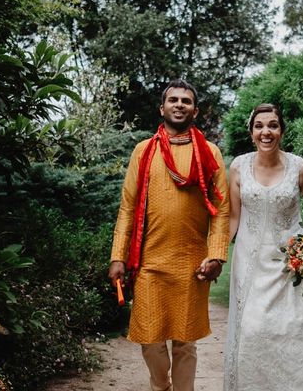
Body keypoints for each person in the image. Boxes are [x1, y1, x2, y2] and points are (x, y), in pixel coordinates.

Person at [108, 79, 230, 391]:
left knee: (185, 343)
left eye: (186, 101)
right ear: (162, 108)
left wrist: (216, 256)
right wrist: (118, 256)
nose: (179, 105)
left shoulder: (210, 152)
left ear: (195, 110)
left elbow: (221, 208)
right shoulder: (143, 151)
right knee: (150, 341)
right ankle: (161, 386)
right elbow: (127, 207)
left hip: (192, 264)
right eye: (173, 100)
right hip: (150, 262)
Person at [223, 103, 303, 390]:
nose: (266, 131)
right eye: (259, 126)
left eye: (272, 125)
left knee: (292, 332)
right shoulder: (237, 167)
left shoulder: (299, 166)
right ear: (251, 133)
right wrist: (217, 251)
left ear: (281, 131)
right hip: (250, 267)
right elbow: (233, 216)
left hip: (291, 267)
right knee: (252, 331)